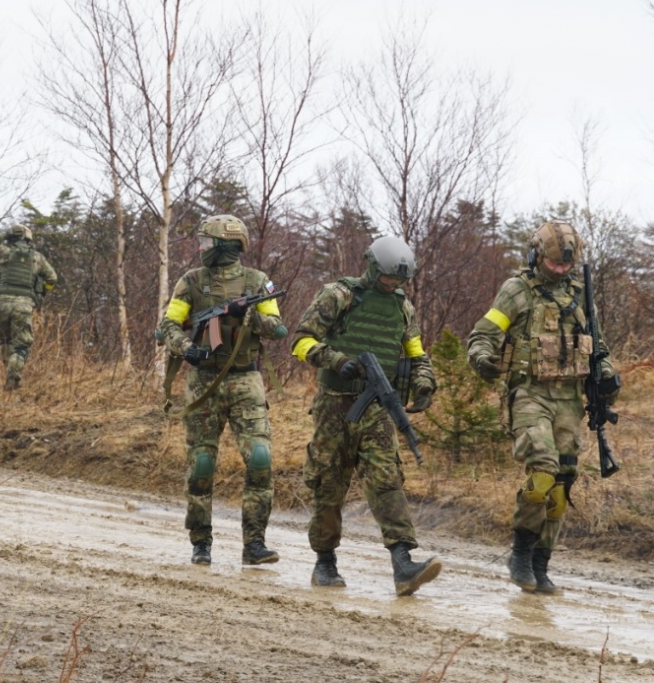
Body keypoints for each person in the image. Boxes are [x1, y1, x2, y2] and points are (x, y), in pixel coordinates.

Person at [467, 221, 621, 595]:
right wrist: (483, 359)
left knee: (562, 484)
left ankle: (541, 562)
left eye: (566, 265)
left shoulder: (581, 295)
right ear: (537, 255)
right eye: (553, 264)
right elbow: (482, 336)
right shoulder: (516, 292)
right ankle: (520, 553)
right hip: (529, 394)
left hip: (569, 398)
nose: (560, 270)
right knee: (542, 474)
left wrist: (606, 373)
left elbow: (596, 345)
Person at [291, 236, 442, 596]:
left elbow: (417, 353)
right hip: (334, 406)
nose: (393, 285)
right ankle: (325, 562)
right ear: (373, 267)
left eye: (399, 281)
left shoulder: (402, 307)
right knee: (329, 482)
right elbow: (300, 341)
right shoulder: (339, 295)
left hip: (377, 408)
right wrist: (337, 361)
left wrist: (424, 383)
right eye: (388, 278)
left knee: (386, 478)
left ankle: (403, 563)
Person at [156, 214, 290, 566]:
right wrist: (187, 349)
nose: (201, 249)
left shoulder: (258, 281)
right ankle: (201, 542)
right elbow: (168, 325)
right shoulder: (192, 281)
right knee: (201, 465)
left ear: (223, 246)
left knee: (260, 459)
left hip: (246, 379)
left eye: (205, 243)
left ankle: (255, 544)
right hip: (203, 380)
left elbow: (277, 329)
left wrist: (249, 315)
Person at [0, 224, 58, 390]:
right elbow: (52, 278)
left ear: (12, 238)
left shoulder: (6, 253)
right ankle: (13, 378)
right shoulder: (38, 258)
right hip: (24, 305)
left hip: (2, 304)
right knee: (21, 346)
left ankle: (10, 375)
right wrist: (42, 293)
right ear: (29, 239)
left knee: (5, 341)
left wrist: (3, 234)